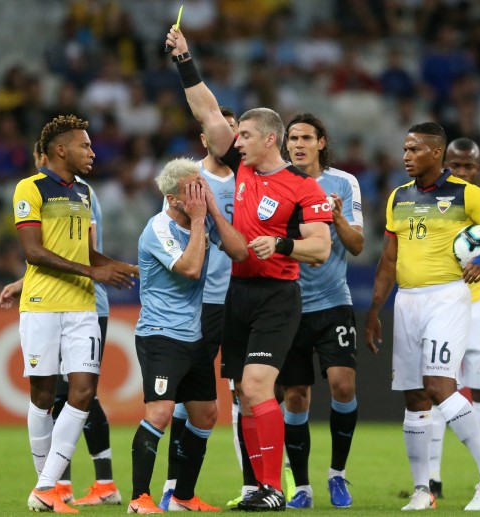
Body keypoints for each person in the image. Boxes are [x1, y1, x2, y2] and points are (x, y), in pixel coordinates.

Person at [165, 25, 333, 512]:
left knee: (258, 386)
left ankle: (273, 488)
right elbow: (206, 110)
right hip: (239, 294)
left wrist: (281, 242)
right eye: (235, 136)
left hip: (278, 296)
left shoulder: (304, 188)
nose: (234, 140)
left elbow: (319, 249)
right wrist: (184, 60)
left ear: (270, 139)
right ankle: (258, 486)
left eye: (244, 136)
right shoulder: (241, 166)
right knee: (241, 389)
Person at [365, 122, 480, 511]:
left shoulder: (468, 194)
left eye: (415, 149)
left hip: (448, 298)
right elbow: (387, 259)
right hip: (407, 301)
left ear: (437, 154)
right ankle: (423, 490)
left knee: (438, 386)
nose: (406, 156)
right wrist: (374, 311)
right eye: (405, 149)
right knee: (415, 397)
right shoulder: (398, 197)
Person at [11, 114, 137, 513]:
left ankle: (48, 488)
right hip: (43, 306)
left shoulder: (83, 191)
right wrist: (92, 271)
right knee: (44, 395)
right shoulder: (29, 189)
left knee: (82, 393)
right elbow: (33, 252)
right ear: (60, 150)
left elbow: (84, 251)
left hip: (83, 307)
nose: (92, 152)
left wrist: (124, 266)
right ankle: (45, 487)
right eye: (85, 145)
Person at [128, 157, 249, 514]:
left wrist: (211, 210)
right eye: (195, 188)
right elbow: (192, 269)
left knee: (205, 413)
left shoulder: (203, 219)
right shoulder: (158, 229)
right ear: (174, 198)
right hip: (160, 335)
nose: (203, 192)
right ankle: (139, 498)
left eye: (204, 186)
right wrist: (200, 218)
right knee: (161, 412)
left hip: (192, 336)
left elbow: (239, 251)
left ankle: (183, 496)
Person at [276, 113, 364, 509]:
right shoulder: (275, 182)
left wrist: (338, 217)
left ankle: (337, 476)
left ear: (321, 142)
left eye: (306, 138)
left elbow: (358, 245)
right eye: (292, 138)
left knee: (343, 385)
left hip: (333, 301)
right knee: (296, 396)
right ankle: (303, 487)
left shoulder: (344, 182)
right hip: (289, 304)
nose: (298, 144)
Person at [157, 107, 243, 511]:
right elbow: (169, 236)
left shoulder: (251, 179)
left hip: (244, 296)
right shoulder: (189, 180)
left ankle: (253, 485)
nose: (228, 137)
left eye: (235, 131)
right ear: (205, 138)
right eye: (220, 130)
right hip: (204, 301)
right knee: (186, 395)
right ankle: (174, 486)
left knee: (248, 390)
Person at [427, 138, 480, 500]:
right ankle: (432, 480)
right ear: (444, 165)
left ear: (478, 168)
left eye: (468, 167)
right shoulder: (431, 202)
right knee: (440, 391)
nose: (461, 172)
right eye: (454, 166)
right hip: (444, 304)